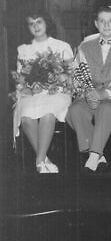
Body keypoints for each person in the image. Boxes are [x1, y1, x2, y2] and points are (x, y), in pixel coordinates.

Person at [67, 5, 111, 172]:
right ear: (96, 24)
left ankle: (93, 156)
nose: (106, 25)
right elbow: (78, 73)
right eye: (102, 21)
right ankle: (100, 156)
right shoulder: (85, 46)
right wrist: (88, 92)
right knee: (76, 110)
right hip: (90, 93)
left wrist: (105, 92)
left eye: (110, 21)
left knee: (105, 109)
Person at [13, 10, 73, 173]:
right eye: (31, 24)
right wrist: (28, 86)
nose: (36, 26)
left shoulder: (61, 46)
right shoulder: (23, 49)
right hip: (33, 92)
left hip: (57, 91)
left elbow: (70, 74)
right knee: (26, 116)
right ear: (27, 27)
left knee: (48, 113)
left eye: (39, 21)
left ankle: (39, 161)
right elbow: (21, 77)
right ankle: (44, 159)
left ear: (46, 23)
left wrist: (59, 78)